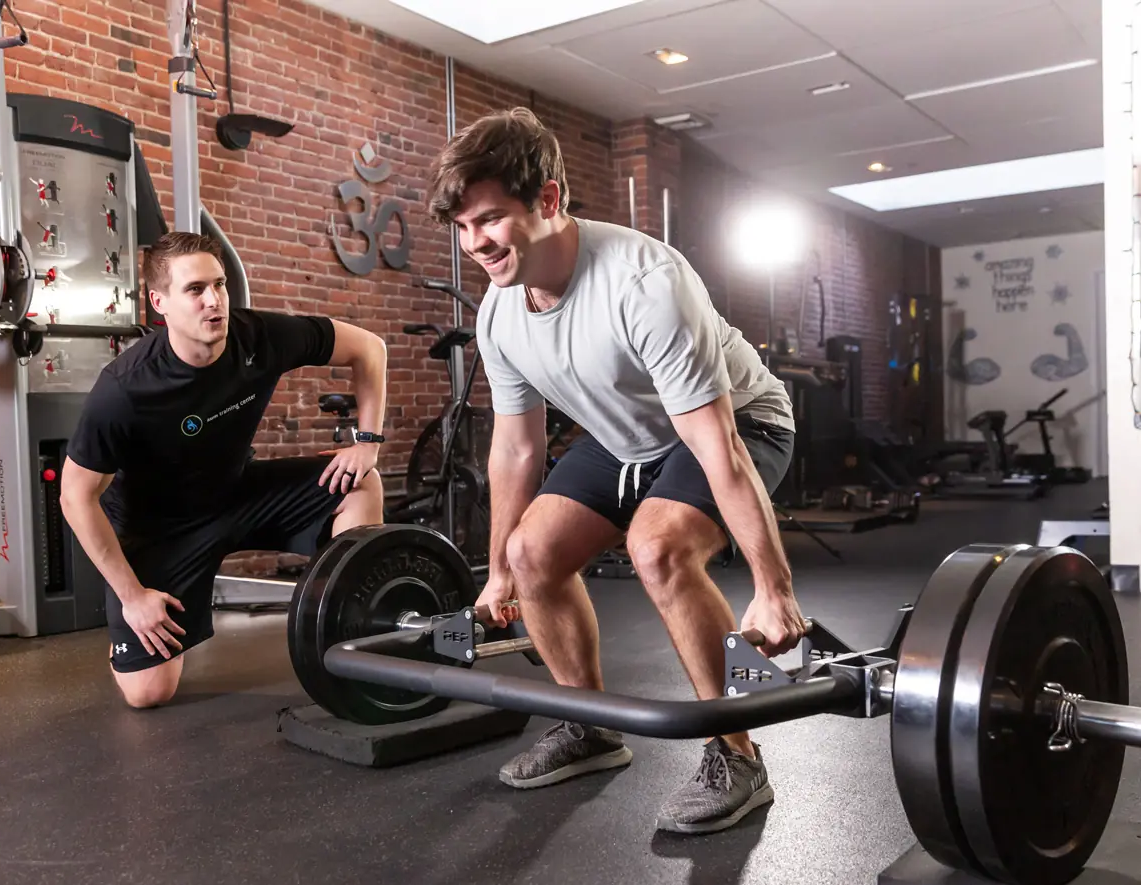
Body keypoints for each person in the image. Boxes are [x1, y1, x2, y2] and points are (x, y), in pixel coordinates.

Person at [428, 108, 806, 834]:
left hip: (737, 422)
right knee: (529, 553)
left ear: (547, 199)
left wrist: (774, 588)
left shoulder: (644, 282)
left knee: (658, 548)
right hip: (625, 434)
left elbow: (718, 444)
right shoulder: (500, 312)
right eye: (464, 228)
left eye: (490, 220)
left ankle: (738, 755)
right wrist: (497, 572)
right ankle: (590, 725)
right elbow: (515, 447)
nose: (476, 243)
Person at [61, 232, 388, 709]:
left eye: (220, 285)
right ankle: (126, 638)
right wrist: (132, 597)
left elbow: (370, 349)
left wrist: (367, 442)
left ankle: (348, 630)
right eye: (195, 290)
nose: (214, 301)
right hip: (160, 531)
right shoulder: (125, 388)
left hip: (237, 494)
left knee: (359, 483)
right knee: (148, 693)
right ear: (160, 303)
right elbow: (75, 496)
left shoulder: (260, 337)